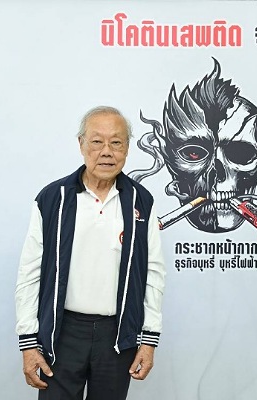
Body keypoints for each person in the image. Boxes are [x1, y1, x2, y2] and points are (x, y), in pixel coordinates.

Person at [15, 106, 166, 400]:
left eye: (116, 142)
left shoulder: (141, 202)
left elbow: (153, 272)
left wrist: (149, 340)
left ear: (127, 148)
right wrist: (28, 342)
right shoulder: (53, 198)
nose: (106, 151)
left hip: (116, 336)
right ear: (81, 144)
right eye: (97, 141)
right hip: (62, 333)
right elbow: (29, 272)